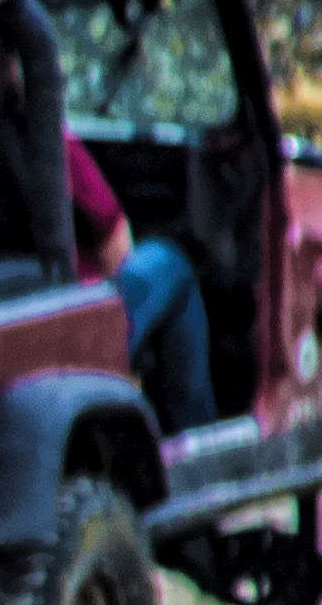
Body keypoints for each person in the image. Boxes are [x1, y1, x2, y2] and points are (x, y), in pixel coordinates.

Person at [62, 132, 216, 435]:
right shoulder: (38, 131)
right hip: (70, 318)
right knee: (171, 264)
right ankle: (197, 440)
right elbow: (114, 240)